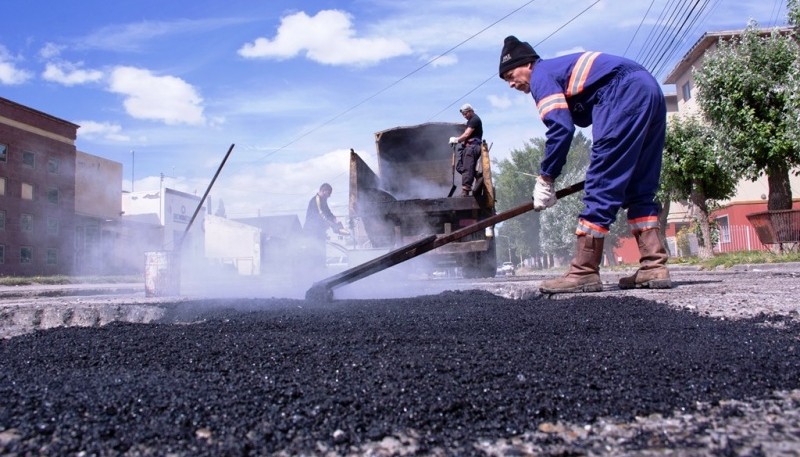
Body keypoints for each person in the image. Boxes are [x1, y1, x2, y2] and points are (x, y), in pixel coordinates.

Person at [497, 35, 672, 294]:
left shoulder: (542, 74)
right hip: (649, 89)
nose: (511, 84)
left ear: (529, 64)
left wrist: (546, 178)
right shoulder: (558, 71)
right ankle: (654, 265)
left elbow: (560, 128)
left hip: (622, 93)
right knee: (640, 184)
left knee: (601, 181)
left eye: (511, 75)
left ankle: (584, 271)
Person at [303, 183, 349, 271]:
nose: (328, 197)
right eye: (327, 195)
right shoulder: (316, 200)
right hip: (312, 232)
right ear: (323, 191)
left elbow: (328, 212)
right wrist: (331, 224)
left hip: (319, 232)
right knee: (314, 251)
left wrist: (335, 219)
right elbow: (321, 215)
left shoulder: (323, 200)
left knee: (321, 250)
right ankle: (314, 270)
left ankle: (321, 269)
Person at [448, 103, 483, 197]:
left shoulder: (475, 119)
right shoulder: (470, 121)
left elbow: (467, 134)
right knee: (460, 167)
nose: (464, 116)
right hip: (467, 147)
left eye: (465, 113)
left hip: (473, 147)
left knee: (467, 168)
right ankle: (477, 176)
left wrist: (457, 140)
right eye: (463, 114)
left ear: (471, 111)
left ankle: (465, 191)